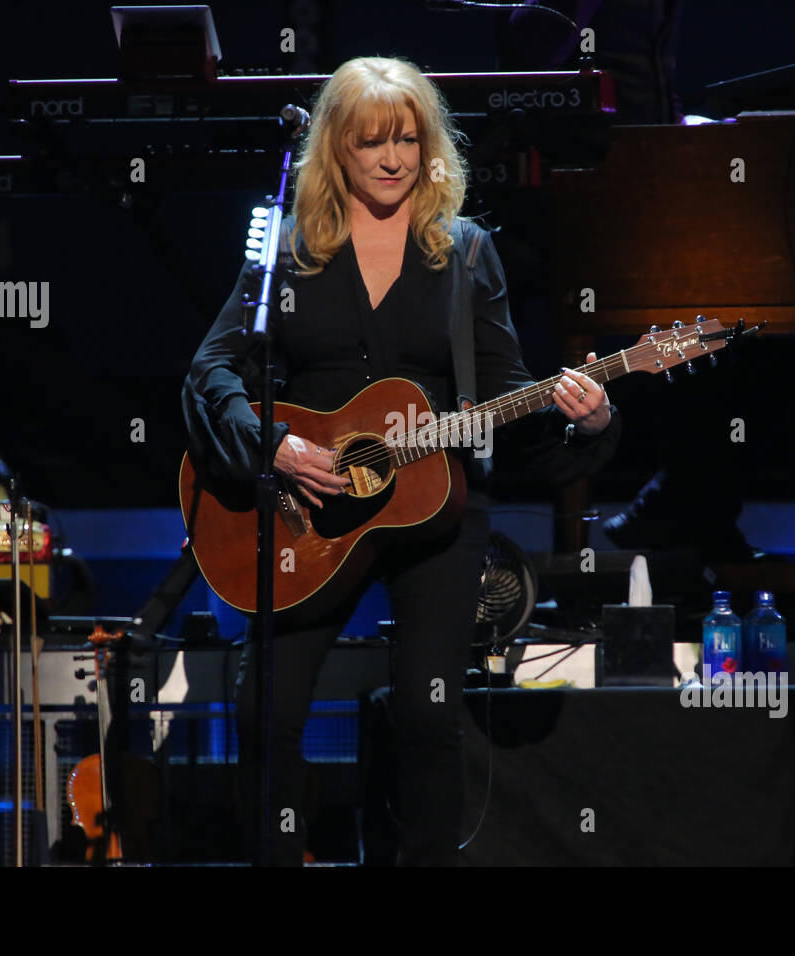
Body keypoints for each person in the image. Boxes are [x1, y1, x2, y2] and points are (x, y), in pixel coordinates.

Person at [181, 56, 621, 865]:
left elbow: (507, 397)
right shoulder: (287, 249)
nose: (392, 159)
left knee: (426, 715)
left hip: (433, 509)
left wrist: (586, 423)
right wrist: (273, 445)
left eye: (408, 140)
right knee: (264, 716)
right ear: (334, 150)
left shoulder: (464, 250)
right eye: (372, 141)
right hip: (303, 509)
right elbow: (211, 373)